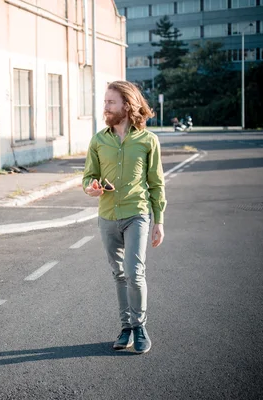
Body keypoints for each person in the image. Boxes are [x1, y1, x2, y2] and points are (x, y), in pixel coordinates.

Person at [82, 80, 166, 354]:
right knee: (118, 274)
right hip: (107, 216)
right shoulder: (98, 140)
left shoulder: (148, 140)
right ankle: (126, 328)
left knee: (134, 272)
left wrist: (159, 221)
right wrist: (91, 188)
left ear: (127, 106)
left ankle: (140, 327)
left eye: (110, 102)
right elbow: (88, 176)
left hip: (137, 214)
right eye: (105, 101)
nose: (105, 107)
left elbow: (156, 183)